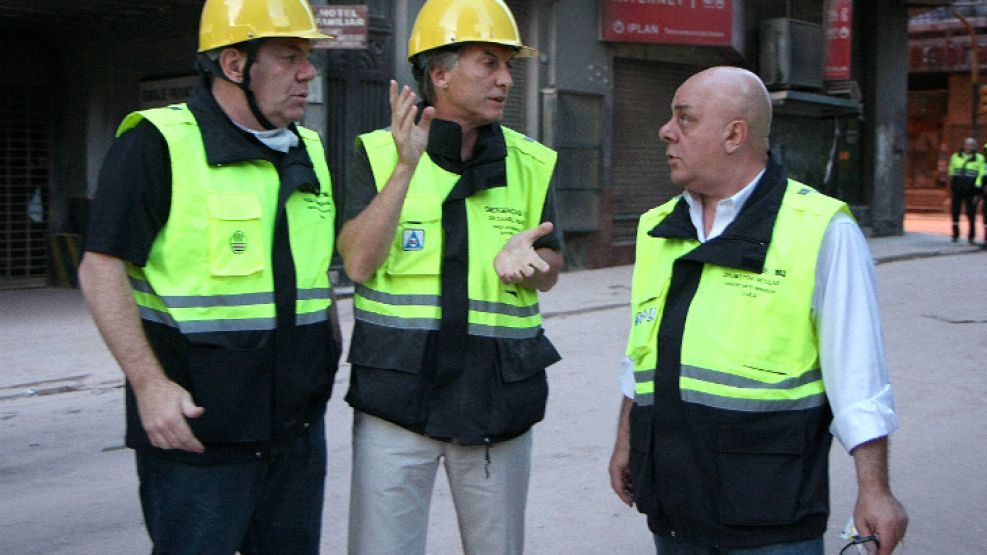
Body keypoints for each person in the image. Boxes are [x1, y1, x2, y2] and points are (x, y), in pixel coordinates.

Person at [607, 67, 908, 555]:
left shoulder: (821, 230)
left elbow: (859, 376)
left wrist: (874, 490)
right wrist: (625, 441)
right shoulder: (657, 227)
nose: (666, 131)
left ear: (734, 135)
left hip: (770, 511)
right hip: (674, 504)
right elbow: (641, 352)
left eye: (684, 119)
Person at [77, 1, 339, 552]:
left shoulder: (308, 148)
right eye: (290, 56)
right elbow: (100, 269)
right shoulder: (157, 143)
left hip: (295, 435)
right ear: (234, 64)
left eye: (307, 57)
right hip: (198, 438)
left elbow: (311, 274)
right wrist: (149, 386)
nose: (307, 73)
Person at [336, 0, 564, 552]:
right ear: (439, 73)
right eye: (489, 63)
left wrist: (532, 267)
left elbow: (552, 266)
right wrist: (406, 168)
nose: (506, 79)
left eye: (509, 65)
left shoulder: (532, 162)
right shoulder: (376, 152)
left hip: (496, 402)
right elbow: (358, 264)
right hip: (397, 400)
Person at [948, 137, 982, 243]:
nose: (969, 146)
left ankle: (971, 236)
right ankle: (955, 234)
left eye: (971, 145)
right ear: (963, 145)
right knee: (955, 211)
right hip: (957, 190)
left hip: (971, 191)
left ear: (974, 147)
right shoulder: (955, 157)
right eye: (967, 144)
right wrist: (953, 185)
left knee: (971, 213)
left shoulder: (979, 158)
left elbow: (981, 175)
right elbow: (951, 172)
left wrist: (977, 189)